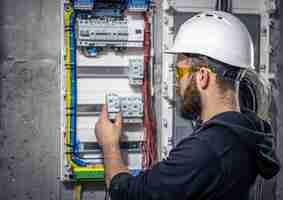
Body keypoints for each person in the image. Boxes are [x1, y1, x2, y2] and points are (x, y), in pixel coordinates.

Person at [95, 11, 280, 200]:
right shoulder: (248, 131)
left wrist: (109, 145)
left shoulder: (206, 149)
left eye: (179, 73)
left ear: (202, 77)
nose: (177, 84)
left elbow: (128, 195)